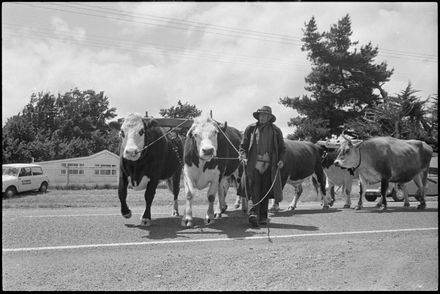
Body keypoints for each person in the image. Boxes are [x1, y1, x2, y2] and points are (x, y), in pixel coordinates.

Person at [238, 106, 286, 227]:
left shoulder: (276, 131)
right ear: (258, 116)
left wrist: (281, 160)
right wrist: (243, 156)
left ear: (270, 117)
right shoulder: (250, 129)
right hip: (253, 165)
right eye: (260, 115)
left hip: (269, 166)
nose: (262, 117)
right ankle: (253, 214)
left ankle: (263, 217)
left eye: (265, 115)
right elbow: (243, 147)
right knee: (253, 189)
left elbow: (282, 149)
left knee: (265, 190)